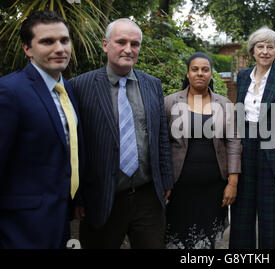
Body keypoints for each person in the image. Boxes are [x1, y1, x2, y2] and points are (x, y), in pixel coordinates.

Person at [70, 18, 173, 249]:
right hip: (103, 197)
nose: (128, 49)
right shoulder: (80, 86)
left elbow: (161, 137)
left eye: (135, 44)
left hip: (148, 196)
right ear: (106, 45)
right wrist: (79, 197)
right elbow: (77, 146)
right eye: (121, 42)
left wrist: (166, 179)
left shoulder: (152, 85)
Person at [0, 10, 83, 248]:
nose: (60, 48)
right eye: (47, 41)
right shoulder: (9, 92)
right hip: (19, 227)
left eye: (64, 40)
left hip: (60, 219)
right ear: (28, 49)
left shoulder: (67, 89)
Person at [229, 27, 275, 249]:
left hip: (273, 153)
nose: (265, 51)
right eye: (260, 46)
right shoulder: (242, 76)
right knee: (241, 214)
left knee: (273, 219)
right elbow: (239, 116)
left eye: (270, 47)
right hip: (245, 149)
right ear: (253, 50)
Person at [164, 52, 241, 249]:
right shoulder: (170, 103)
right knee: (176, 240)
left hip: (213, 189)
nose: (200, 73)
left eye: (205, 70)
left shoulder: (224, 105)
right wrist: (163, 179)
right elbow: (161, 144)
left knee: (206, 243)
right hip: (178, 188)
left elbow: (233, 143)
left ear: (211, 74)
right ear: (188, 74)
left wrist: (233, 182)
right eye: (195, 69)